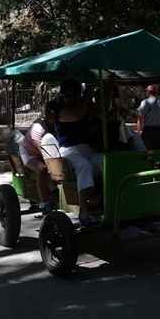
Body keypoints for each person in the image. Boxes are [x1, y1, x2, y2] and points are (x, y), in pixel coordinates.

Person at [54, 76, 114, 227]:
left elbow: (104, 107)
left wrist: (109, 86)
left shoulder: (83, 108)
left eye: (75, 94)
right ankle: (83, 210)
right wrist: (87, 94)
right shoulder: (60, 111)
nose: (72, 98)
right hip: (68, 151)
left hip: (87, 149)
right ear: (62, 96)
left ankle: (107, 202)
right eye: (68, 95)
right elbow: (77, 115)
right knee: (84, 166)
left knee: (109, 162)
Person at [19, 100, 60, 215]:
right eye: (54, 118)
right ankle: (45, 205)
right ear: (48, 117)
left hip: (49, 151)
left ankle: (53, 189)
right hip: (29, 153)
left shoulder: (60, 125)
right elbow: (44, 153)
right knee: (42, 169)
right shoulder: (38, 128)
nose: (57, 121)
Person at [137, 84, 160, 149]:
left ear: (148, 92)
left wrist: (138, 131)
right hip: (159, 131)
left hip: (148, 131)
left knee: (146, 153)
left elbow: (140, 118)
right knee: (158, 153)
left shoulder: (144, 102)